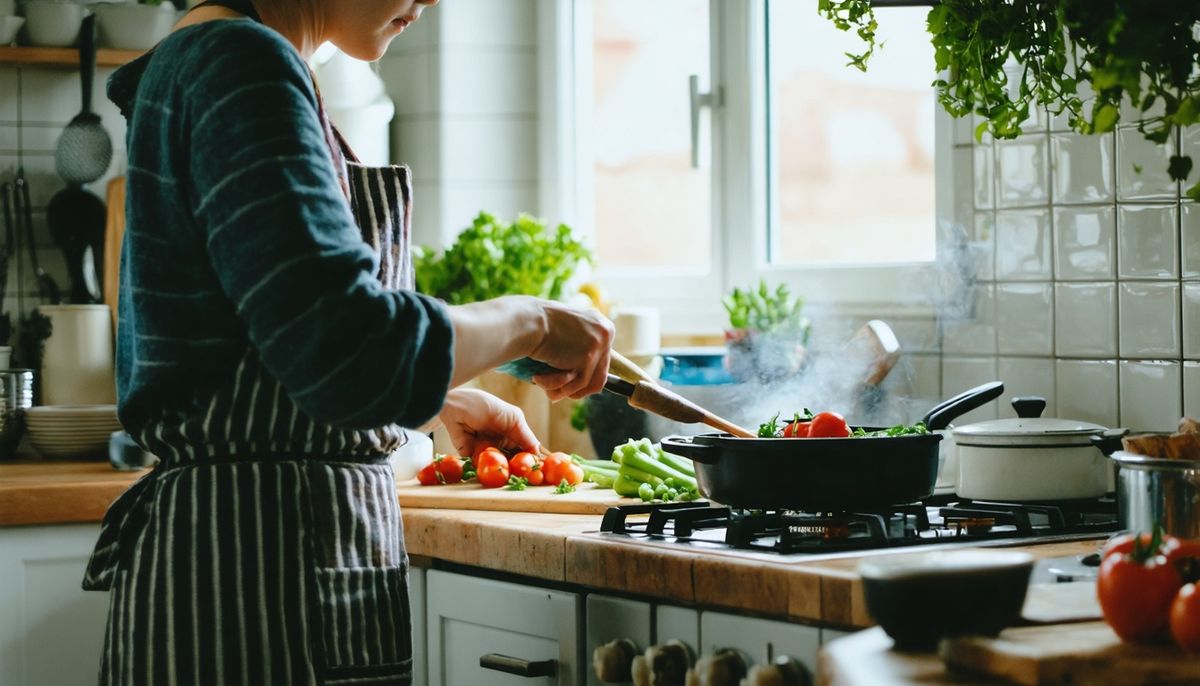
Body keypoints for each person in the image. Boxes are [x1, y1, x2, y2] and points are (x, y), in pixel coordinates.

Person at [81, 1, 613, 684]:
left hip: (229, 573)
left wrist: (432, 402)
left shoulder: (205, 59)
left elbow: (273, 334)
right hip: (263, 586)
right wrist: (532, 319)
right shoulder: (243, 66)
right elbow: (348, 351)